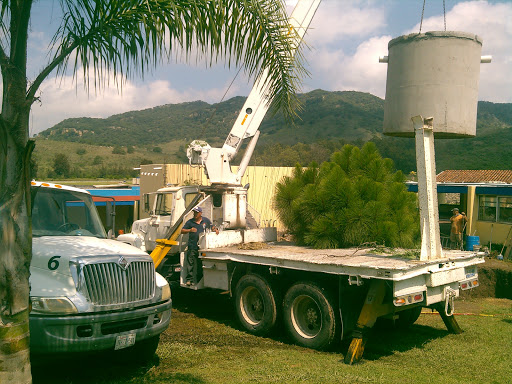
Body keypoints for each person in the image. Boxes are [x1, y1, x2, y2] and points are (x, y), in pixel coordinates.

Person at [181, 206, 218, 286]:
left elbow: (212, 227)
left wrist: (215, 229)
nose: (195, 214)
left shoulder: (206, 221)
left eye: (197, 213)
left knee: (200, 264)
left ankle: (199, 280)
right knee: (190, 264)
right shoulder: (190, 222)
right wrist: (190, 230)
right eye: (194, 212)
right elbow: (182, 230)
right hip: (192, 246)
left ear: (200, 213)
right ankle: (189, 280)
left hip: (202, 247)